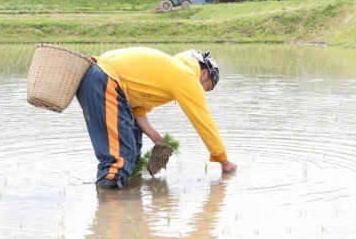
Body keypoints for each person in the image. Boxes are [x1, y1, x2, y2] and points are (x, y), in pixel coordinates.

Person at [76, 47, 237, 189]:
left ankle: (129, 208)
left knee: (132, 150)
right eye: (205, 88)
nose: (201, 91)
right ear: (204, 73)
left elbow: (138, 111)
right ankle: (111, 214)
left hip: (101, 78)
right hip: (104, 80)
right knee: (119, 159)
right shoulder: (186, 76)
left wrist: (157, 139)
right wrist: (224, 161)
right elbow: (203, 121)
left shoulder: (169, 70)